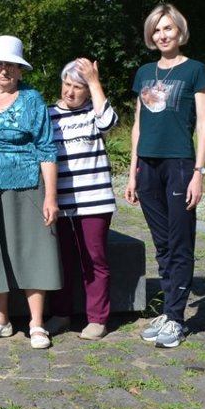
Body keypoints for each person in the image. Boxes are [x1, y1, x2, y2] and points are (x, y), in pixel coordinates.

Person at [124, 3, 205, 349]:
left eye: (168, 28)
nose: (163, 35)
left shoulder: (195, 71)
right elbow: (138, 125)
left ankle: (176, 318)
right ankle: (170, 309)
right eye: (157, 30)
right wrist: (132, 172)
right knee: (162, 243)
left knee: (180, 242)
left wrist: (199, 173)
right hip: (148, 166)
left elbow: (204, 126)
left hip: (179, 165)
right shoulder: (145, 72)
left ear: (180, 31)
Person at [0, 35, 63, 351]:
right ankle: (0, 320)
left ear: (20, 70)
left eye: (10, 65)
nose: (4, 71)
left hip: (27, 183)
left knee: (34, 250)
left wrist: (51, 196)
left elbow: (46, 148)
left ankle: (36, 323)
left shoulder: (33, 99)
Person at [46, 58, 119, 340]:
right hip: (61, 201)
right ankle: (61, 313)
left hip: (95, 199)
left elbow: (110, 122)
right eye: (67, 85)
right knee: (61, 259)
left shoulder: (94, 113)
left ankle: (98, 318)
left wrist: (94, 81)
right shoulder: (49, 113)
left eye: (78, 87)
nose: (71, 92)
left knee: (94, 259)